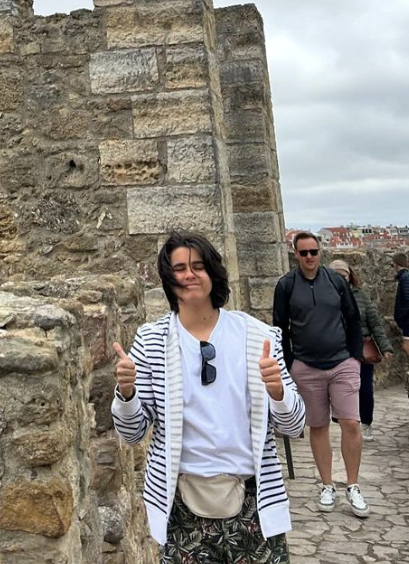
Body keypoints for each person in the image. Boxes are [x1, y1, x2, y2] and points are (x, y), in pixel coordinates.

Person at [111, 231, 305, 564]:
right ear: (168, 279)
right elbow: (131, 433)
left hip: (253, 503)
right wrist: (127, 394)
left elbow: (295, 424)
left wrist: (278, 392)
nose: (189, 275)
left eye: (198, 266)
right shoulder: (151, 341)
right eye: (180, 268)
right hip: (181, 507)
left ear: (213, 273)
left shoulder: (257, 335)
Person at [272, 231, 366, 517]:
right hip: (307, 365)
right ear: (296, 254)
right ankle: (327, 485)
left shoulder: (336, 282)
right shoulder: (286, 286)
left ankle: (352, 484)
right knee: (318, 426)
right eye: (304, 253)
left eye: (313, 251)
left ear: (320, 252)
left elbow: (352, 318)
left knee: (351, 423)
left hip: (341, 362)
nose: (309, 257)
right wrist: (290, 364)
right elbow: (280, 327)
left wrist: (355, 356)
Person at [328, 259, 393, 441]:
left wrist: (385, 347)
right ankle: (346, 421)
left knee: (364, 389)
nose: (341, 278)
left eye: (344, 274)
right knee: (341, 389)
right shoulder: (325, 296)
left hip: (361, 350)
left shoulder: (361, 296)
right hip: (338, 351)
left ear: (350, 276)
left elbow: (375, 323)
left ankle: (365, 423)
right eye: (337, 275)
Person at [393, 252, 409, 355]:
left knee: (406, 345)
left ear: (395, 264)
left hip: (407, 320)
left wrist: (402, 316)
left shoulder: (405, 277)